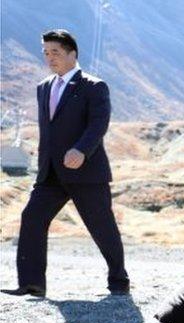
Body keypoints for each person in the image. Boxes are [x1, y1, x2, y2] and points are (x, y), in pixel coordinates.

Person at [2, 29, 129, 298]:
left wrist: (82, 150)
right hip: (50, 173)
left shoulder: (94, 86)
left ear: (72, 53)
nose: (50, 58)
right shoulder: (44, 87)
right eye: (46, 53)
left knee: (102, 227)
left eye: (56, 52)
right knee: (32, 217)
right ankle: (32, 284)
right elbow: (48, 129)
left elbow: (98, 124)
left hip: (86, 172)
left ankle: (119, 281)